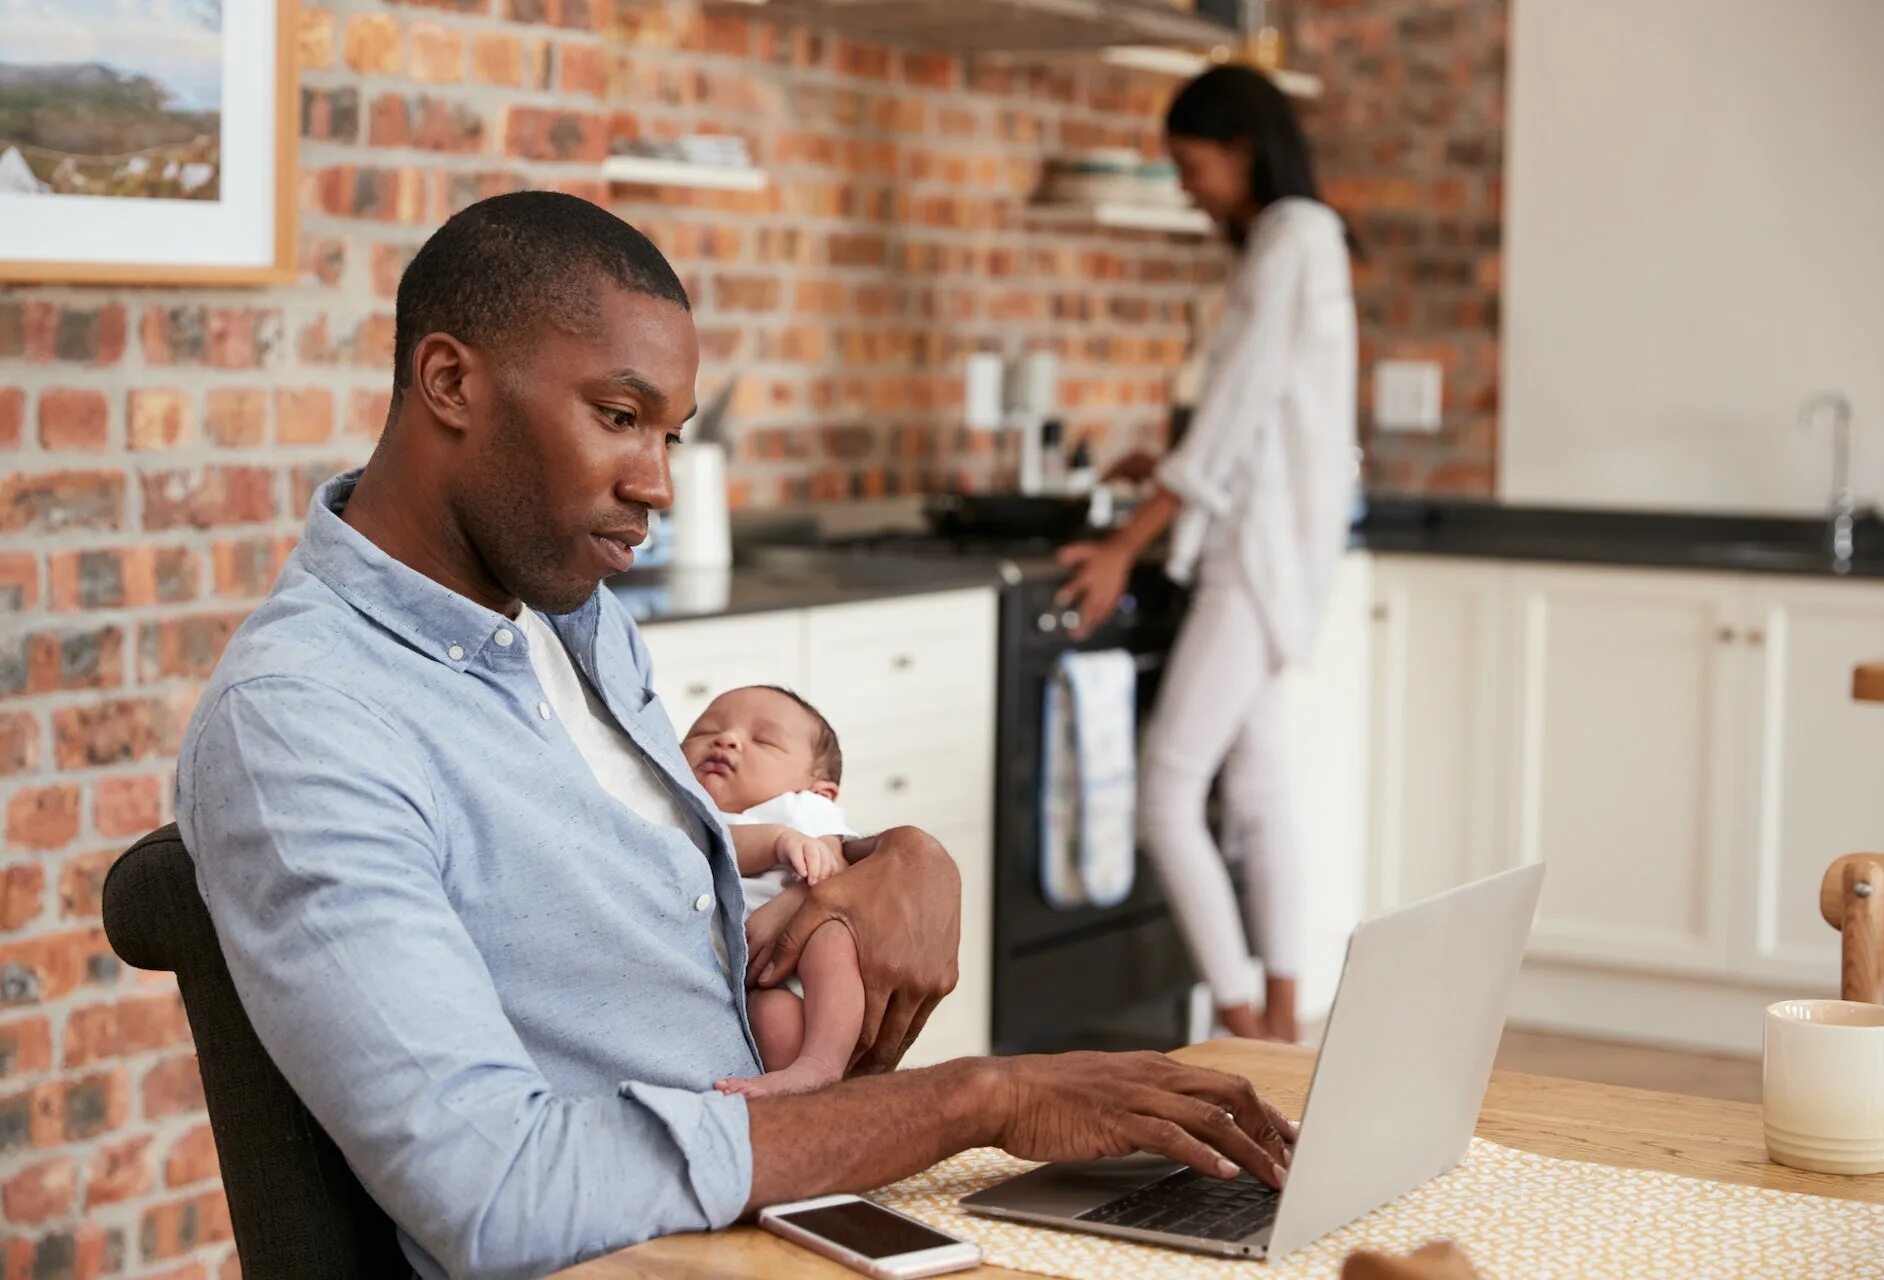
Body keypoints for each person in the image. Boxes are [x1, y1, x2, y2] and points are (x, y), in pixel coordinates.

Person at [177, 191, 1297, 1280]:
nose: (656, 482)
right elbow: (495, 1187)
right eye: (619, 416)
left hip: (780, 1215)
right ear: (450, 380)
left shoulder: (573, 618)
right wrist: (976, 1098)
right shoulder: (305, 720)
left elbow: (707, 883)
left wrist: (903, 851)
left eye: (669, 432)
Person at [1055, 66, 1359, 1044]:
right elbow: (1256, 411)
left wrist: (1122, 542)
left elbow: (1232, 421)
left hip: (1253, 556)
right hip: (1274, 551)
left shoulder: (1291, 237)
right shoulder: (1296, 240)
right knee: (1261, 790)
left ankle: (1240, 1020)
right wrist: (1169, 458)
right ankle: (1280, 1028)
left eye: (1191, 165)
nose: (1187, 188)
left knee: (1168, 791)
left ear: (1243, 146)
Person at [681, 685, 866, 1099]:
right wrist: (775, 840)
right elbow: (717, 847)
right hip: (751, 979)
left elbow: (833, 871)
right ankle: (800, 1094)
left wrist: (790, 845)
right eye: (703, 731)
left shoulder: (801, 807)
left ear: (819, 788)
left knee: (832, 930)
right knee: (771, 1015)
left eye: (763, 740)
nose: (726, 739)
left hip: (807, 954)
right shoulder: (686, 813)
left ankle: (822, 1063)